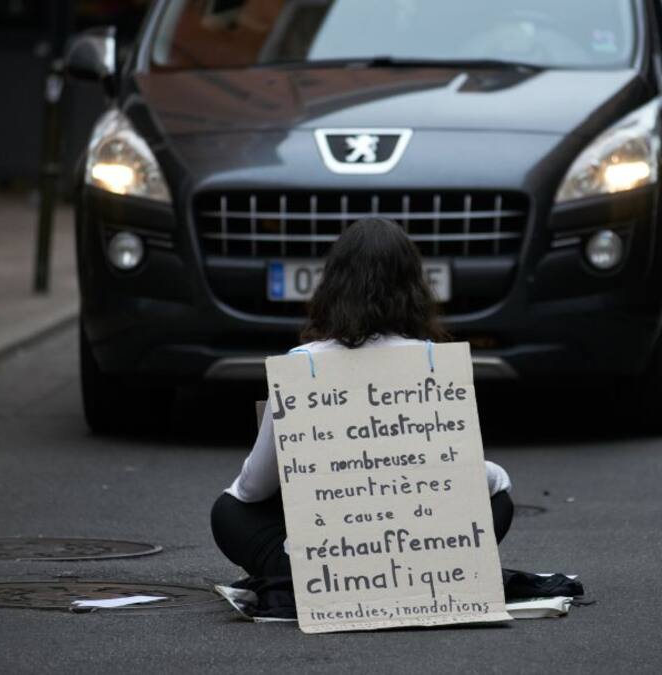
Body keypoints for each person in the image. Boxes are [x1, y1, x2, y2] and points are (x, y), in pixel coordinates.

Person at [210, 218, 514, 578]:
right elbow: (464, 475)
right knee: (499, 499)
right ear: (415, 289)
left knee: (227, 512)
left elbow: (253, 487)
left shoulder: (303, 364)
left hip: (330, 552)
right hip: (422, 548)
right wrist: (499, 476)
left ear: (332, 287)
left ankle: (309, 577)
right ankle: (429, 570)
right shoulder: (433, 361)